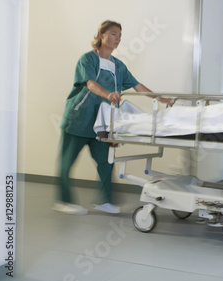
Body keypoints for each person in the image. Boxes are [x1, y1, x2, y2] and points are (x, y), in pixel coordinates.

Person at [52, 20, 169, 216]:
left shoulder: (118, 66)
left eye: (120, 35)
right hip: (78, 120)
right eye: (114, 34)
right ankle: (64, 201)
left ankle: (105, 201)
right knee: (67, 162)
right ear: (101, 35)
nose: (118, 38)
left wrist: (161, 98)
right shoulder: (87, 59)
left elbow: (137, 86)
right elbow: (90, 84)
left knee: (106, 163)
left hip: (100, 123)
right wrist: (107, 95)